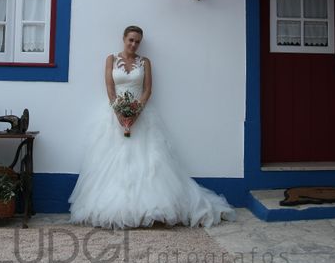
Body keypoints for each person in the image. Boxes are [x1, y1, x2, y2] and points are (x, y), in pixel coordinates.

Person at [68, 25, 237, 229]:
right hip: (114, 115)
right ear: (123, 39)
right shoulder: (110, 59)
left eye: (137, 41)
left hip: (142, 115)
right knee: (112, 160)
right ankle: (118, 207)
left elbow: (147, 90)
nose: (133, 44)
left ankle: (154, 208)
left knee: (150, 163)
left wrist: (136, 112)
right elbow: (110, 89)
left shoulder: (145, 62)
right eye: (130, 39)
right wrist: (120, 114)